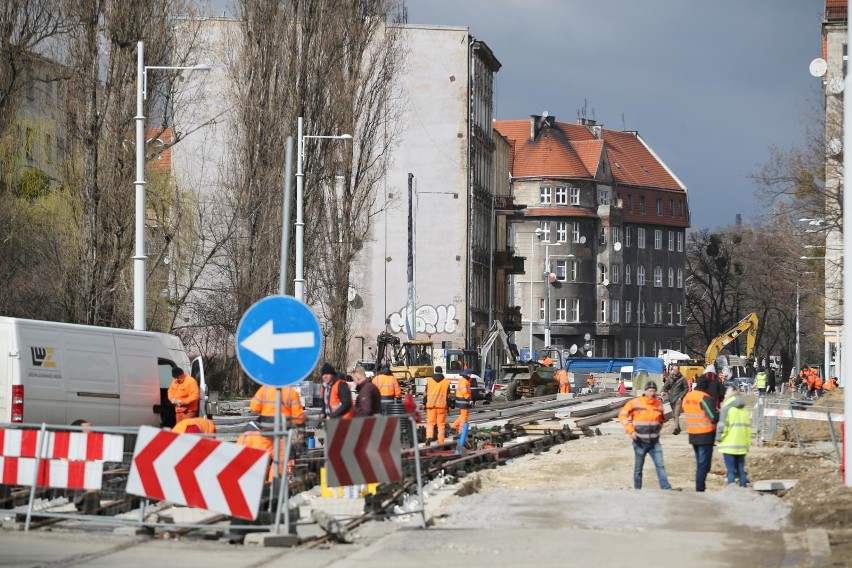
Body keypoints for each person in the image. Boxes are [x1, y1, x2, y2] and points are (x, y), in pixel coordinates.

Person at [618, 381, 672, 490]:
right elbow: (622, 415)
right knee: (638, 469)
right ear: (645, 391)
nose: (652, 393)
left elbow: (662, 420)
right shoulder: (636, 403)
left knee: (660, 466)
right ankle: (638, 491)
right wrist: (631, 430)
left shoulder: (658, 404)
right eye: (650, 391)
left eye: (654, 391)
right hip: (639, 442)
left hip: (654, 442)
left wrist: (657, 430)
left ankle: (666, 489)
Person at [683, 375, 719, 492]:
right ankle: (700, 489)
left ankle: (700, 487)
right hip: (705, 434)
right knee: (704, 465)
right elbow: (713, 416)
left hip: (693, 434)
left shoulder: (688, 396)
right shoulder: (704, 398)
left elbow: (686, 409)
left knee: (700, 463)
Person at [716, 383, 751, 487]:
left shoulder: (727, 408)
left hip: (729, 445)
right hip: (742, 446)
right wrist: (747, 445)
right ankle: (744, 491)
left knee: (730, 471)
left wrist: (718, 438)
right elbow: (747, 430)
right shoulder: (744, 410)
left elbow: (723, 427)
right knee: (741, 470)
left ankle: (732, 492)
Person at [424, 366, 450, 444]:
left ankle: (429, 436)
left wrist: (424, 404)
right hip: (441, 407)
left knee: (430, 423)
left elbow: (425, 394)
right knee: (441, 425)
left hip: (431, 406)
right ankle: (440, 441)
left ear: (435, 371)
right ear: (442, 372)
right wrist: (448, 407)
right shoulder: (446, 382)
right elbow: (448, 397)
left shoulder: (429, 381)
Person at [662, 364, 689, 435]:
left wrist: (681, 396)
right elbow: (665, 386)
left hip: (678, 398)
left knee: (676, 413)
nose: (675, 371)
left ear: (678, 369)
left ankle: (676, 429)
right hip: (671, 398)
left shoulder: (682, 379)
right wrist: (662, 391)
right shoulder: (670, 378)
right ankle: (678, 428)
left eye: (676, 370)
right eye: (674, 370)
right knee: (673, 414)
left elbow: (686, 388)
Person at [450, 368, 473, 433]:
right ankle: (461, 431)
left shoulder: (465, 380)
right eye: (469, 374)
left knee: (463, 415)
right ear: (467, 374)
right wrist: (469, 399)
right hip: (463, 401)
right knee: (464, 417)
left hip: (463, 400)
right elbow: (464, 392)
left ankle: (454, 426)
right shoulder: (464, 381)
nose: (470, 375)